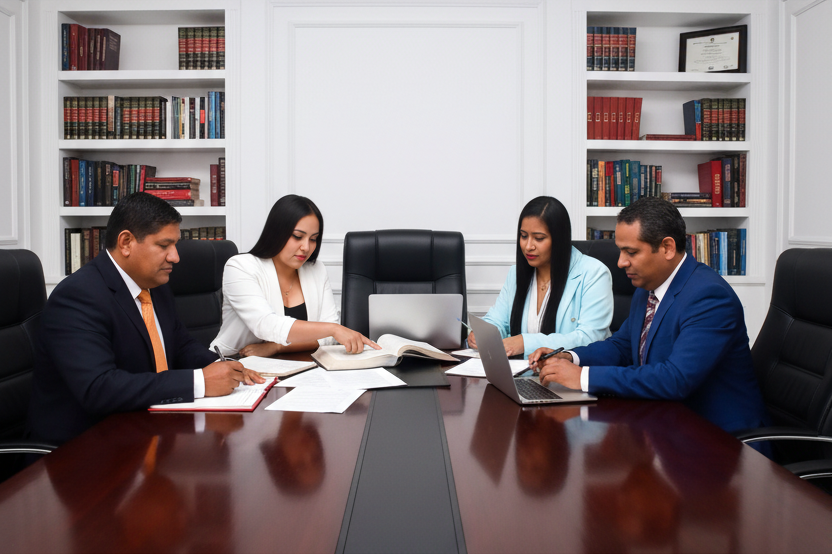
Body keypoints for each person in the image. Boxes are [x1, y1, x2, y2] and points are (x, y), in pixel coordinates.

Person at [28, 192, 263, 446]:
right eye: (164, 246)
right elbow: (98, 388)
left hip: (143, 431)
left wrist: (228, 367)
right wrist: (201, 382)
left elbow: (180, 344)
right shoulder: (77, 296)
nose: (175, 257)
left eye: (175, 245)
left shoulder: (154, 285)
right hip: (82, 452)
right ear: (126, 242)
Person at [532, 197, 768, 433]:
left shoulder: (709, 297)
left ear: (667, 247)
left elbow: (675, 379)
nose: (621, 262)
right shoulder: (648, 288)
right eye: (621, 251)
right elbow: (622, 346)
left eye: (631, 252)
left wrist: (583, 377)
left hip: (721, 442)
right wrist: (569, 357)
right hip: (668, 426)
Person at [210, 194, 378, 357]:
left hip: (295, 365)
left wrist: (277, 348)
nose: (306, 247)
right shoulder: (240, 266)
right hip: (235, 364)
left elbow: (327, 340)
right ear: (276, 232)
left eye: (313, 239)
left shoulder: (316, 269)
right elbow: (265, 325)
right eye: (298, 236)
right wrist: (333, 329)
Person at [467, 196, 613, 358]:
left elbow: (590, 338)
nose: (528, 246)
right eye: (523, 236)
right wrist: (483, 334)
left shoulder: (594, 274)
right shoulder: (516, 274)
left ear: (559, 239)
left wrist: (525, 343)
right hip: (520, 375)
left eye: (539, 238)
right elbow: (499, 320)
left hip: (568, 377)